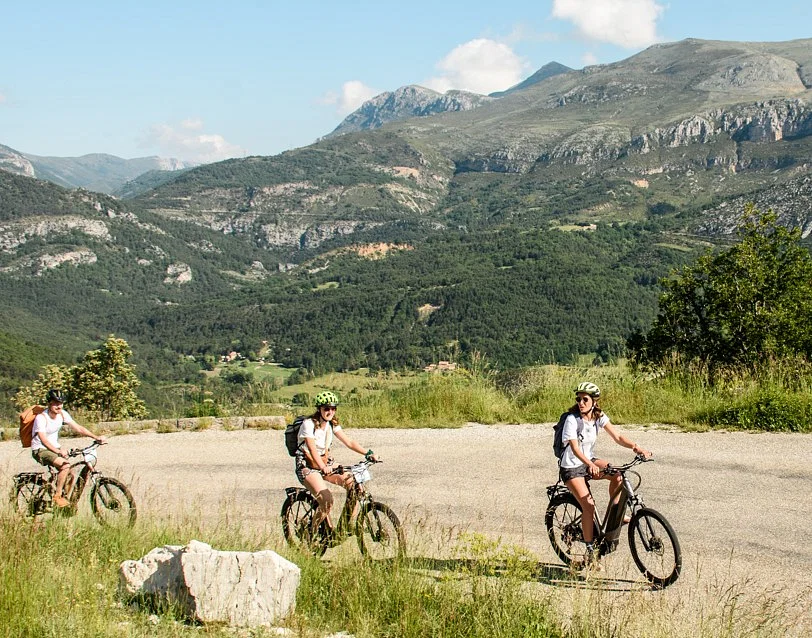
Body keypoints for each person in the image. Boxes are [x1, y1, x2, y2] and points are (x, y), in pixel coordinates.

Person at [559, 382, 651, 566]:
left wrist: (636, 447)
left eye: (585, 399)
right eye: (578, 399)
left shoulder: (598, 416)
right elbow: (575, 448)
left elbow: (617, 436)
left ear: (594, 401)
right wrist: (589, 464)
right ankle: (590, 551)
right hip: (572, 467)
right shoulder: (572, 419)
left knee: (618, 475)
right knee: (589, 506)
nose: (581, 403)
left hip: (589, 461)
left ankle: (615, 517)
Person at [293, 391, 377, 535]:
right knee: (327, 501)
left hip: (325, 461)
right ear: (319, 409)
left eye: (333, 408)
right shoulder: (308, 424)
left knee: (353, 483)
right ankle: (311, 533)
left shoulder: (332, 424)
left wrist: (368, 453)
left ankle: (346, 525)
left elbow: (349, 442)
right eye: (326, 408)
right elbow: (312, 450)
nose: (330, 412)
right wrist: (322, 467)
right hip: (307, 465)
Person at [30, 389, 107, 507]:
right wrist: (58, 451)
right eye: (56, 403)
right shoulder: (41, 418)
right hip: (40, 449)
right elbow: (43, 440)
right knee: (65, 466)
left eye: (61, 403)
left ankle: (65, 503)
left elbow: (78, 428)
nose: (59, 406)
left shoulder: (62, 414)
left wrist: (96, 437)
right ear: (49, 403)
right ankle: (57, 496)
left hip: (55, 448)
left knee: (70, 473)